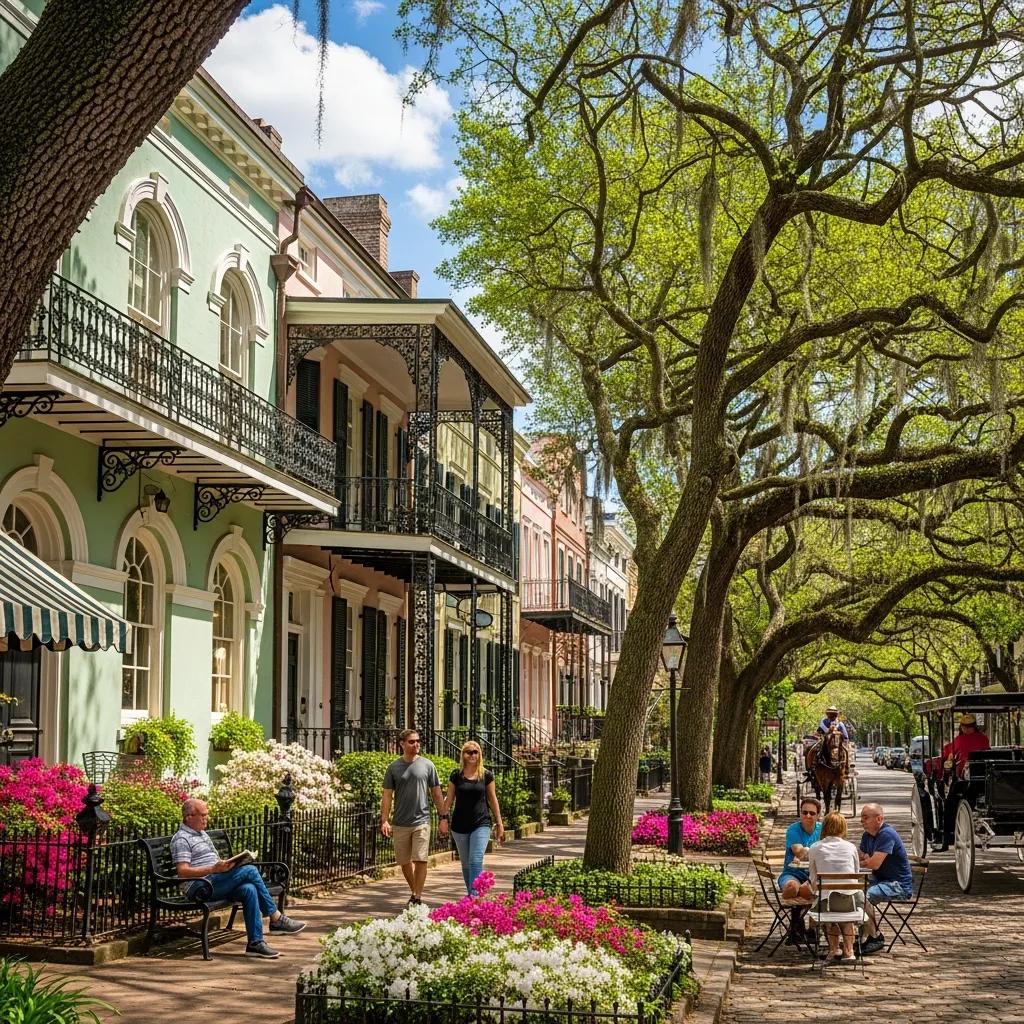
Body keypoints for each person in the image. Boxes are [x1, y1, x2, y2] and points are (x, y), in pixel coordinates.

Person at [171, 798, 306, 959]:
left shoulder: (202, 834)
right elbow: (183, 872)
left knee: (249, 889)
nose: (206, 819)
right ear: (189, 817)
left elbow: (214, 865)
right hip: (200, 887)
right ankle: (276, 918)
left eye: (207, 815)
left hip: (216, 880)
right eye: (203, 815)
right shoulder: (181, 839)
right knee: (250, 870)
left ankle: (255, 944)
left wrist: (228, 866)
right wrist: (213, 869)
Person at [381, 727, 449, 907]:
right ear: (402, 744)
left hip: (422, 820)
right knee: (404, 862)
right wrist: (385, 820)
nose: (416, 744)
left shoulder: (428, 765)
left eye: (418, 741)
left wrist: (443, 817)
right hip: (400, 822)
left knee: (420, 858)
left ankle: (417, 896)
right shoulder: (393, 768)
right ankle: (415, 892)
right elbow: (387, 795)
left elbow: (436, 793)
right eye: (412, 741)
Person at [444, 740, 505, 895]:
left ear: (480, 755)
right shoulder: (456, 775)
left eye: (475, 752)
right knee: (465, 864)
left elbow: (493, 799)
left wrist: (499, 822)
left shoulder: (486, 775)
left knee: (475, 860)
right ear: (463, 755)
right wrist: (443, 818)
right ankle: (471, 896)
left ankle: (474, 897)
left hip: (481, 823)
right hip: (459, 825)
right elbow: (449, 799)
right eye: (469, 752)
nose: (472, 755)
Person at [807, 811, 862, 965]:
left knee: (826, 905)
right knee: (847, 910)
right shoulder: (851, 847)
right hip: (849, 902)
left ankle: (833, 948)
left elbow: (813, 879)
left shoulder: (815, 847)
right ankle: (849, 951)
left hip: (827, 904)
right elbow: (856, 875)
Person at [858, 802, 913, 955]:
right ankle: (863, 937)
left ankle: (875, 937)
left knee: (863, 898)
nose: (862, 821)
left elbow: (874, 864)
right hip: (880, 881)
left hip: (898, 885)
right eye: (862, 818)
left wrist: (868, 860)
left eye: (865, 818)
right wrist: (866, 860)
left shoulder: (886, 834)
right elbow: (860, 856)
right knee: (852, 893)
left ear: (879, 818)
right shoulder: (867, 835)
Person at [779, 797, 822, 943]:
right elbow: (797, 851)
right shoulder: (793, 829)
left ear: (818, 815)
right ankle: (797, 926)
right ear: (800, 813)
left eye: (812, 813)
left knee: (815, 890)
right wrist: (809, 850)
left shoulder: (822, 830)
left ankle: (808, 929)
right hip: (792, 873)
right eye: (804, 812)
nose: (808, 816)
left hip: (814, 875)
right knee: (793, 887)